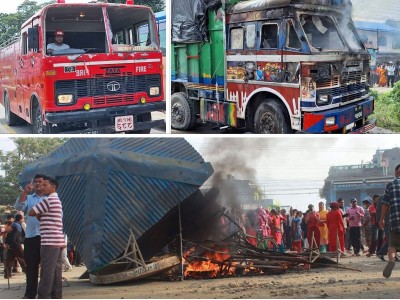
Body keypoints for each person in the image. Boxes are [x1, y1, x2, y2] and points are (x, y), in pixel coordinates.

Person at [29, 176, 65, 299]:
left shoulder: (48, 200)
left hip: (49, 241)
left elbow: (31, 212)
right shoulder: (57, 200)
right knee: (56, 271)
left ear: (53, 187)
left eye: (45, 185)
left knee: (47, 271)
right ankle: (56, 296)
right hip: (58, 240)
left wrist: (40, 214)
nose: (42, 188)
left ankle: (43, 296)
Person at [14, 174, 46, 299]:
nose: (38, 183)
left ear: (45, 184)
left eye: (41, 181)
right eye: (36, 181)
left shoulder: (50, 198)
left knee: (47, 267)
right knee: (31, 267)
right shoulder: (29, 198)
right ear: (33, 184)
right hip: (31, 237)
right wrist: (25, 191)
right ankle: (30, 294)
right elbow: (18, 206)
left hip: (46, 237)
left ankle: (45, 293)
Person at [380, 164, 400, 278]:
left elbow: (385, 204)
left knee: (392, 245)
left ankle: (391, 260)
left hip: (395, 221)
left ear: (396, 173)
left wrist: (381, 219)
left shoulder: (391, 185)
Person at [4, 214, 26, 279]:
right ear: (20, 219)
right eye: (23, 218)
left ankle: (7, 275)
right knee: (22, 259)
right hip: (16, 244)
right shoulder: (17, 225)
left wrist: (7, 243)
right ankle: (28, 273)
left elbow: (8, 235)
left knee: (9, 260)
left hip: (10, 245)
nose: (23, 220)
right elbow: (15, 235)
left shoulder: (13, 224)